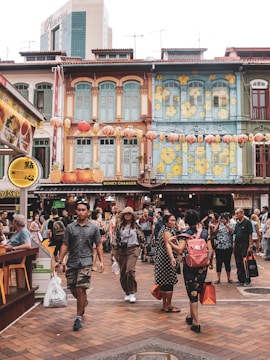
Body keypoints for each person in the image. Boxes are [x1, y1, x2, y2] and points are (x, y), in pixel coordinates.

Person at [55, 200, 104, 331]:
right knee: (72, 288)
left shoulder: (93, 228)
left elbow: (98, 244)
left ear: (87, 212)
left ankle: (78, 318)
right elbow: (65, 244)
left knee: (81, 288)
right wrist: (59, 260)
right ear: (76, 211)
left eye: (83, 210)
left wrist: (101, 261)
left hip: (86, 261)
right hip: (72, 261)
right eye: (79, 210)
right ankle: (83, 302)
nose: (81, 212)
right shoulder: (70, 227)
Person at [169, 209, 214, 333]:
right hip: (202, 266)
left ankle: (196, 322)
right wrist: (211, 263)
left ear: (186, 221)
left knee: (192, 292)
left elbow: (179, 250)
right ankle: (190, 316)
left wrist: (170, 242)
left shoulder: (185, 234)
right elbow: (210, 250)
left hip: (190, 266)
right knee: (196, 291)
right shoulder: (204, 233)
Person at [113, 206, 146, 303]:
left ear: (132, 216)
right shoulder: (119, 226)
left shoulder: (136, 226)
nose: (127, 216)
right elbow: (116, 239)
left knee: (130, 270)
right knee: (123, 273)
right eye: (126, 214)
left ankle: (132, 292)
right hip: (122, 250)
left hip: (133, 249)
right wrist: (115, 252)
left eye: (129, 214)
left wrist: (144, 249)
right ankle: (126, 291)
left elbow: (142, 238)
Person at [154, 213, 181, 313]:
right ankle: (168, 306)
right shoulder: (167, 232)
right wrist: (172, 258)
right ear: (166, 222)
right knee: (169, 283)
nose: (174, 222)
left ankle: (165, 305)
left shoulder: (165, 230)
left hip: (162, 259)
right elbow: (168, 246)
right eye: (172, 220)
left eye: (175, 220)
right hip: (166, 260)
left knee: (164, 283)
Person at [233, 208, 253, 287]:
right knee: (238, 261)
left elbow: (250, 234)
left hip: (245, 244)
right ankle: (240, 278)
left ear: (242, 213)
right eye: (236, 213)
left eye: (237, 213)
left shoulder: (247, 222)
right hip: (237, 244)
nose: (236, 215)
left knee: (245, 261)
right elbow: (235, 234)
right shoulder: (237, 223)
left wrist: (250, 246)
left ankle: (247, 279)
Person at [212, 212, 233, 284]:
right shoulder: (219, 225)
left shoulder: (230, 224)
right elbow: (214, 231)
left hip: (228, 247)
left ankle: (229, 278)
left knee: (227, 263)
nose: (223, 220)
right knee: (219, 263)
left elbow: (231, 231)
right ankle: (218, 278)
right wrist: (218, 223)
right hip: (219, 247)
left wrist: (226, 224)